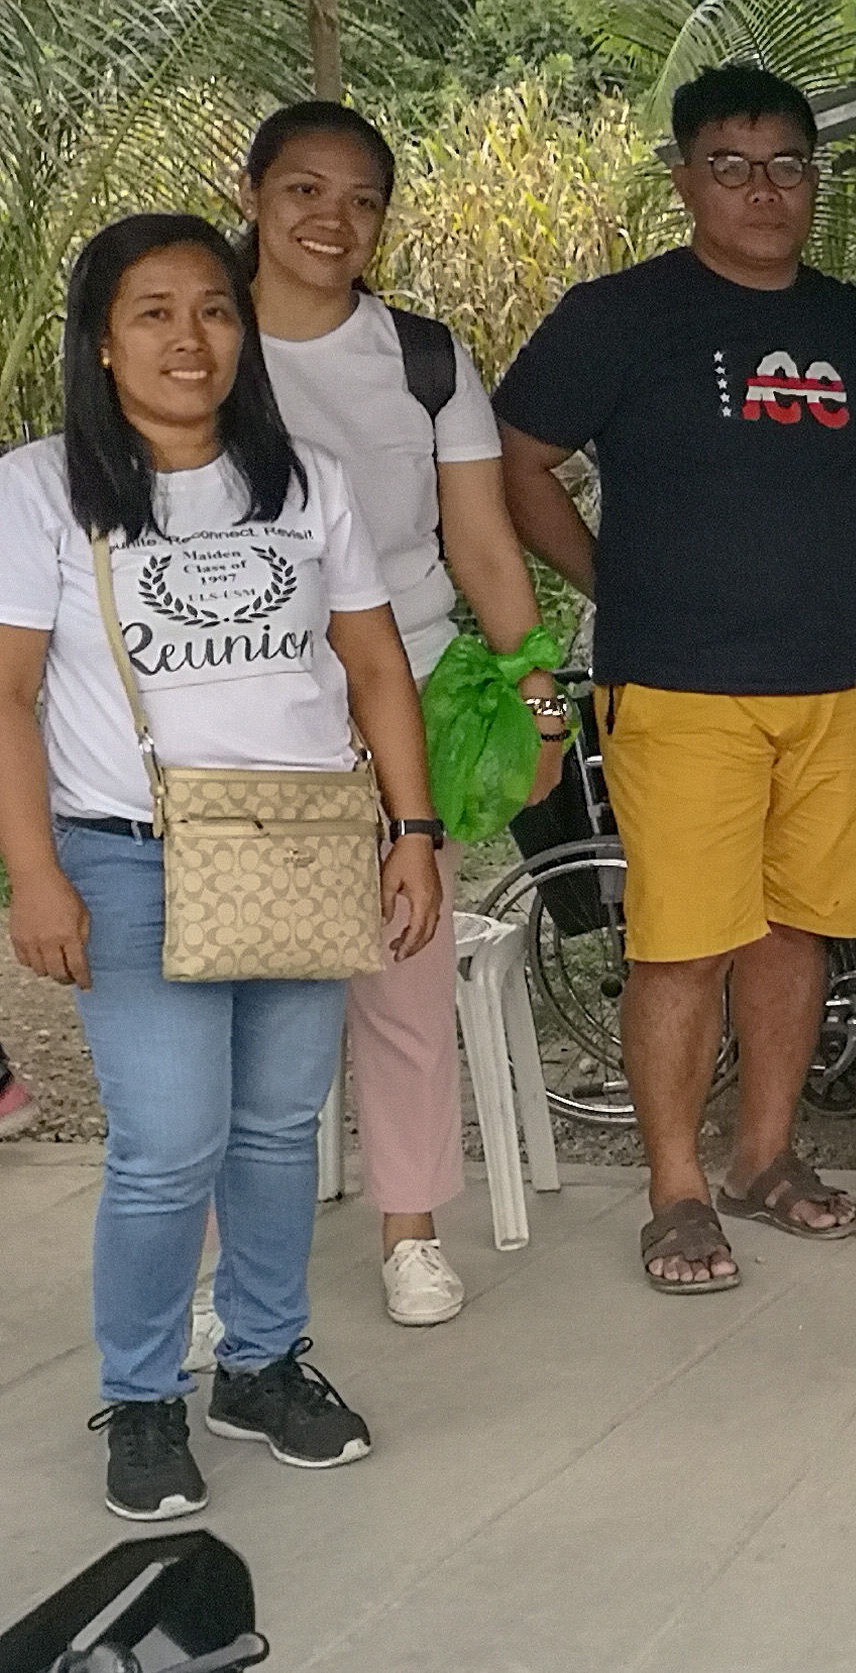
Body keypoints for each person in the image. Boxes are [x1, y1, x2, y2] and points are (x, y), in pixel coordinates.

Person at [1, 214, 443, 1520]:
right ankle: (143, 1394)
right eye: (153, 311)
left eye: (212, 309)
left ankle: (260, 1362)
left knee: (272, 1134)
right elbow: (10, 691)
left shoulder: (302, 478)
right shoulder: (40, 485)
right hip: (130, 853)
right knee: (165, 1142)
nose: (188, 338)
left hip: (304, 843)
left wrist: (409, 833)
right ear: (100, 339)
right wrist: (34, 872)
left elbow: (373, 664)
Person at [495, 65, 856, 1294]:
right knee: (680, 945)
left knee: (797, 928)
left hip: (832, 681)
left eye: (787, 165)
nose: (763, 189)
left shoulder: (854, 326)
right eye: (731, 164)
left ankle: (765, 1159)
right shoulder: (620, 315)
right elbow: (518, 460)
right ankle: (676, 1192)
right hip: (679, 682)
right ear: (684, 179)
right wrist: (612, 578)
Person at [237, 100, 563, 1330]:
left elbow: (478, 540)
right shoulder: (201, 337)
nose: (334, 219)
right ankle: (230, 1262)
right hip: (250, 702)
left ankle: (413, 1230)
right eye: (306, 190)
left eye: (362, 198)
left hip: (408, 687)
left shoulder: (420, 356)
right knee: (245, 984)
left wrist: (534, 689)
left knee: (404, 965)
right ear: (254, 191)